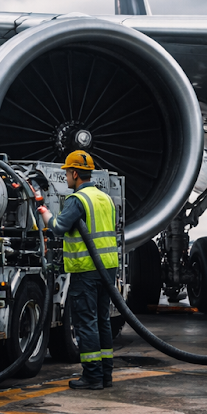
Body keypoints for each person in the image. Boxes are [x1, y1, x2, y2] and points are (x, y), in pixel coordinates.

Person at [45, 150, 121, 390]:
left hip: (86, 269)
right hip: (108, 268)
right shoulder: (105, 198)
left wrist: (44, 213)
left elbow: (58, 227)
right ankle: (105, 375)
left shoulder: (77, 200)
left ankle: (92, 376)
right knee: (102, 320)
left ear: (75, 173)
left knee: (86, 322)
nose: (66, 176)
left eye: (67, 172)